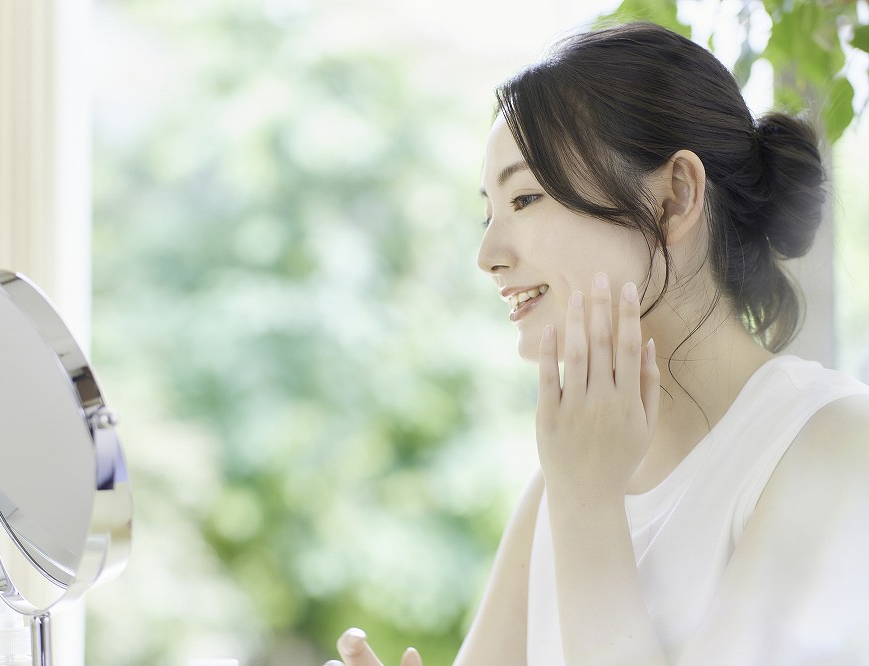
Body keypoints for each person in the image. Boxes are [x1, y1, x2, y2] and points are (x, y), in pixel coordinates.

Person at [325, 21, 869, 666]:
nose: (488, 257)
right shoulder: (562, 478)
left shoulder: (835, 441)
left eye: (525, 198)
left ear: (675, 195)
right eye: (488, 214)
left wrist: (588, 503)